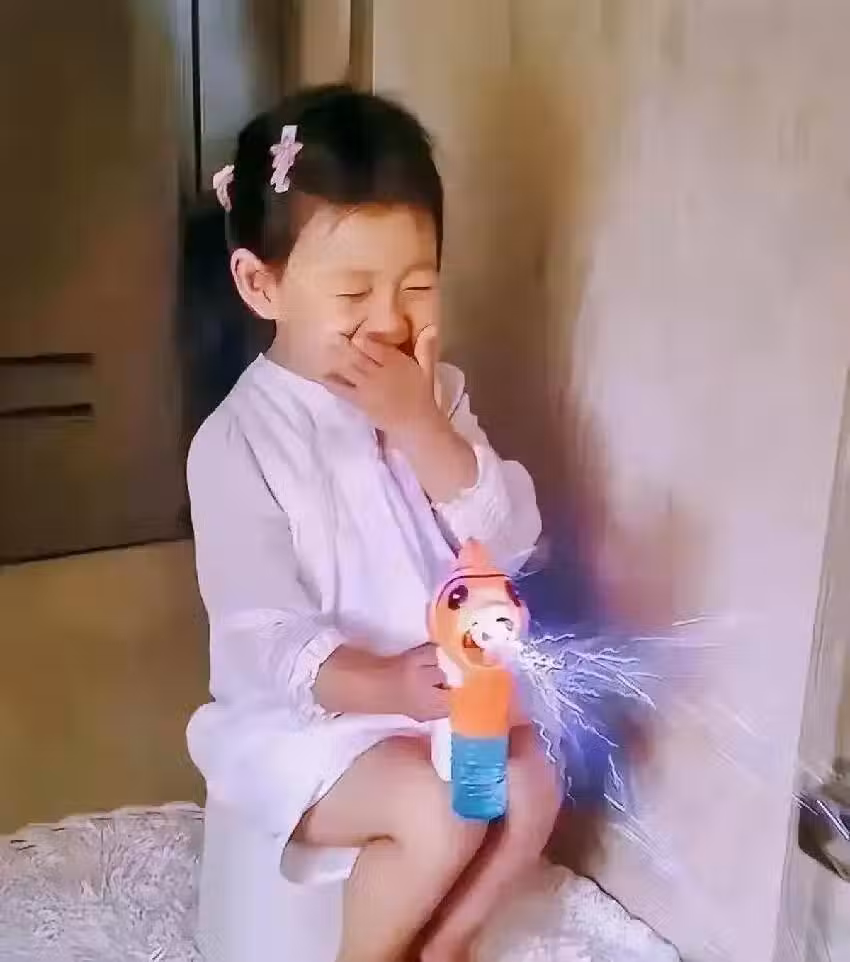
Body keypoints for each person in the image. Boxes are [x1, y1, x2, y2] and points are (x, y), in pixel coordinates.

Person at [187, 84, 561, 962]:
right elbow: (264, 638)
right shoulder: (238, 443)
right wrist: (384, 685)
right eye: (354, 292)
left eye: (417, 287)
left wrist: (421, 426)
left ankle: (443, 946)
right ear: (261, 284)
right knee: (438, 812)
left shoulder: (437, 399)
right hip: (309, 719)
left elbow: (513, 542)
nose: (391, 320)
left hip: (436, 699)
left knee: (537, 783)